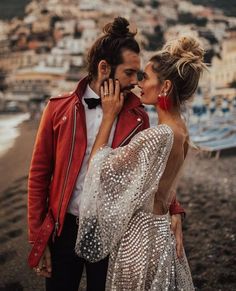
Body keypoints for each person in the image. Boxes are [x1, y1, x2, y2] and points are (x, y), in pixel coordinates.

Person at [27, 17, 185, 291]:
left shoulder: (138, 116)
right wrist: (38, 240)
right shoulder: (58, 110)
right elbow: (38, 177)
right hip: (63, 229)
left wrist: (175, 210)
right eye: (129, 73)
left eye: (139, 74)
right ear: (104, 68)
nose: (136, 82)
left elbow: (154, 171)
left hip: (114, 231)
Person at [75, 35, 207, 290]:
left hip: (141, 238)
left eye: (145, 77)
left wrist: (109, 116)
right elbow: (160, 188)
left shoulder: (158, 135)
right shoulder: (182, 132)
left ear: (165, 87)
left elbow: (98, 168)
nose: (138, 84)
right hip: (161, 234)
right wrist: (175, 213)